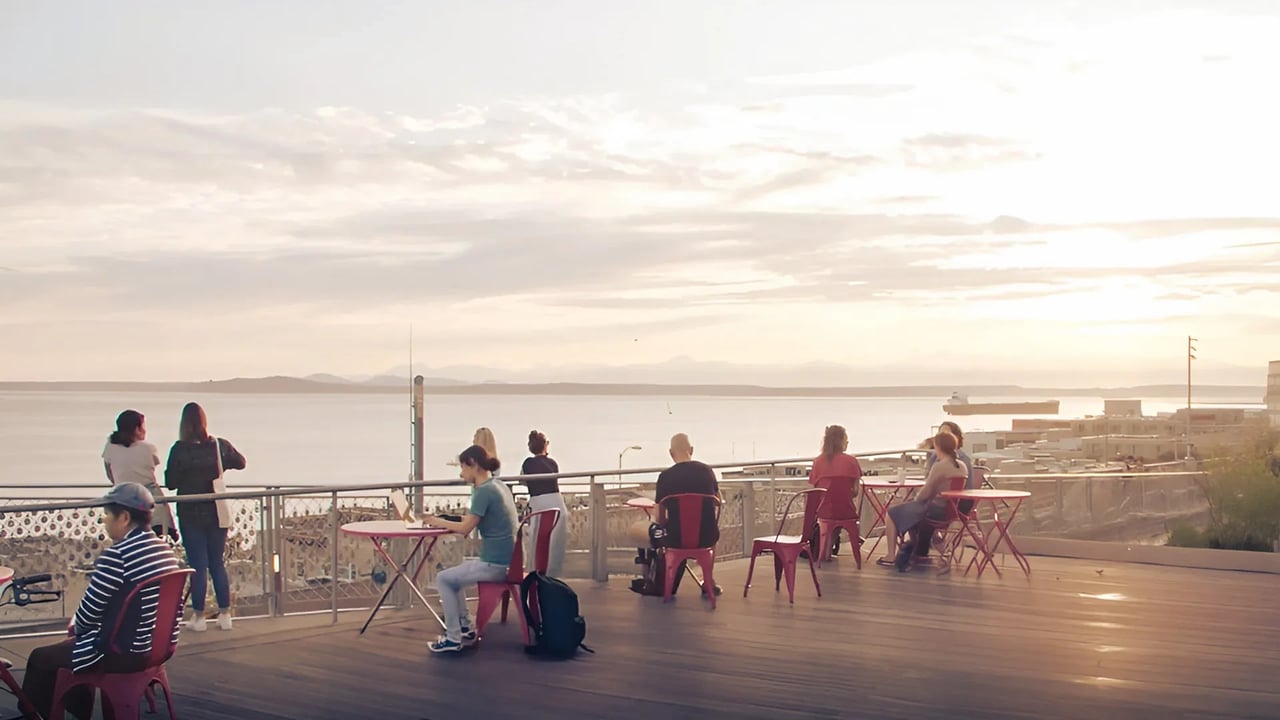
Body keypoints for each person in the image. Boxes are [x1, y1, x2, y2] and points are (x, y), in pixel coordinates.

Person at [22, 483, 180, 720]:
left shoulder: (117, 555)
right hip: (157, 648)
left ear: (124, 517)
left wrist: (77, 628)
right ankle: (77, 710)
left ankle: (36, 716)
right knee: (72, 649)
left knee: (41, 658)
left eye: (107, 515)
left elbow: (87, 616)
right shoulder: (164, 550)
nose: (104, 521)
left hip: (123, 652)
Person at [423, 444, 519, 653]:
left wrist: (435, 521)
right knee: (454, 574)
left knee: (443, 578)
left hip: (496, 565)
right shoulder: (498, 485)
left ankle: (452, 638)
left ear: (473, 464)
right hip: (510, 561)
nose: (461, 473)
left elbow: (465, 528)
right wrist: (444, 520)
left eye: (463, 468)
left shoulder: (483, 491)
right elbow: (474, 519)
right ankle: (465, 625)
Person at [164, 402, 245, 632]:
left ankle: (199, 617)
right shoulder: (218, 445)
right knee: (217, 563)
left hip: (190, 512)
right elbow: (241, 462)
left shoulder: (179, 449)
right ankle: (225, 615)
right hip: (216, 511)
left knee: (198, 565)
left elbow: (170, 482)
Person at [628, 433, 721, 597]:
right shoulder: (707, 472)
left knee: (642, 529)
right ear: (691, 450)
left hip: (675, 538)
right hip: (707, 536)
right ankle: (708, 581)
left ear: (671, 453)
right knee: (708, 531)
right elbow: (718, 502)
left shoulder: (665, 477)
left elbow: (660, 518)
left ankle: (649, 578)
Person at [880, 430, 969, 572]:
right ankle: (920, 552)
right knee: (908, 511)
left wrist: (915, 500)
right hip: (950, 511)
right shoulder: (961, 466)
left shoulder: (940, 466)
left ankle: (890, 556)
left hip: (934, 510)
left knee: (891, 513)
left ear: (938, 447)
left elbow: (926, 492)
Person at [102, 409, 177, 542]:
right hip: (150, 497)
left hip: (122, 499)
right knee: (157, 531)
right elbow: (154, 463)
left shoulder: (110, 448)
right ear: (137, 429)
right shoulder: (148, 448)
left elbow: (109, 472)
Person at [912, 420, 977, 560]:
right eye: (940, 433)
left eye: (947, 433)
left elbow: (932, 483)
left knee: (920, 511)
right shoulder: (943, 457)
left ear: (956, 437)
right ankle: (933, 543)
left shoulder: (956, 460)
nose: (943, 436)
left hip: (955, 504)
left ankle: (921, 550)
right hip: (948, 502)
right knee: (924, 510)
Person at [807, 425, 863, 557]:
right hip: (846, 510)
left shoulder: (818, 462)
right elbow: (855, 492)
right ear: (842, 441)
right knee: (842, 512)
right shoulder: (851, 461)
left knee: (830, 514)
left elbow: (815, 491)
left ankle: (825, 551)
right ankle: (831, 549)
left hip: (824, 510)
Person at [521, 430, 567, 577]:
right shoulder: (552, 463)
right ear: (545, 446)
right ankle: (552, 574)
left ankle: (535, 572)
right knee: (555, 542)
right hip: (557, 503)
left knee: (537, 540)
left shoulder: (528, 463)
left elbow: (522, 480)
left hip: (539, 503)